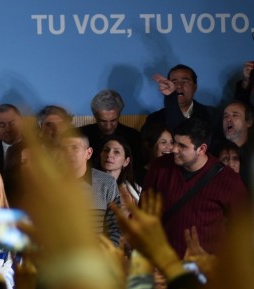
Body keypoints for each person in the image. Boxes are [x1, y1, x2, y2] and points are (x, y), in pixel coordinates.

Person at [143, 118, 248, 256]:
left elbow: (244, 228)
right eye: (175, 142)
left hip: (208, 269)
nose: (174, 149)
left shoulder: (228, 180)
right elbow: (143, 214)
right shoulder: (159, 168)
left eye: (182, 146)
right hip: (165, 264)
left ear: (201, 149)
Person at [58, 129, 121, 246]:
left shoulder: (106, 183)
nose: (68, 153)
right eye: (63, 149)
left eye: (74, 148)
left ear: (88, 153)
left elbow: (115, 226)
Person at [144, 65, 222, 142]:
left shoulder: (212, 115)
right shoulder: (154, 120)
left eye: (185, 81)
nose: (179, 86)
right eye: (174, 82)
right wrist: (170, 98)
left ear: (195, 87)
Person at [80, 89, 143, 173]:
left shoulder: (133, 136)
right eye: (103, 121)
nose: (108, 127)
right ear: (95, 116)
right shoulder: (81, 135)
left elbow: (137, 168)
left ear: (119, 114)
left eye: (113, 120)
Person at [99, 135, 142, 206]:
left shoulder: (136, 190)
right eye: (106, 150)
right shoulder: (88, 185)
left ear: (126, 161)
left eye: (116, 152)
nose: (109, 155)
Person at [0, 104, 23, 172]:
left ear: (21, 122)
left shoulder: (34, 148)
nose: (8, 129)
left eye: (12, 123)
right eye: (2, 125)